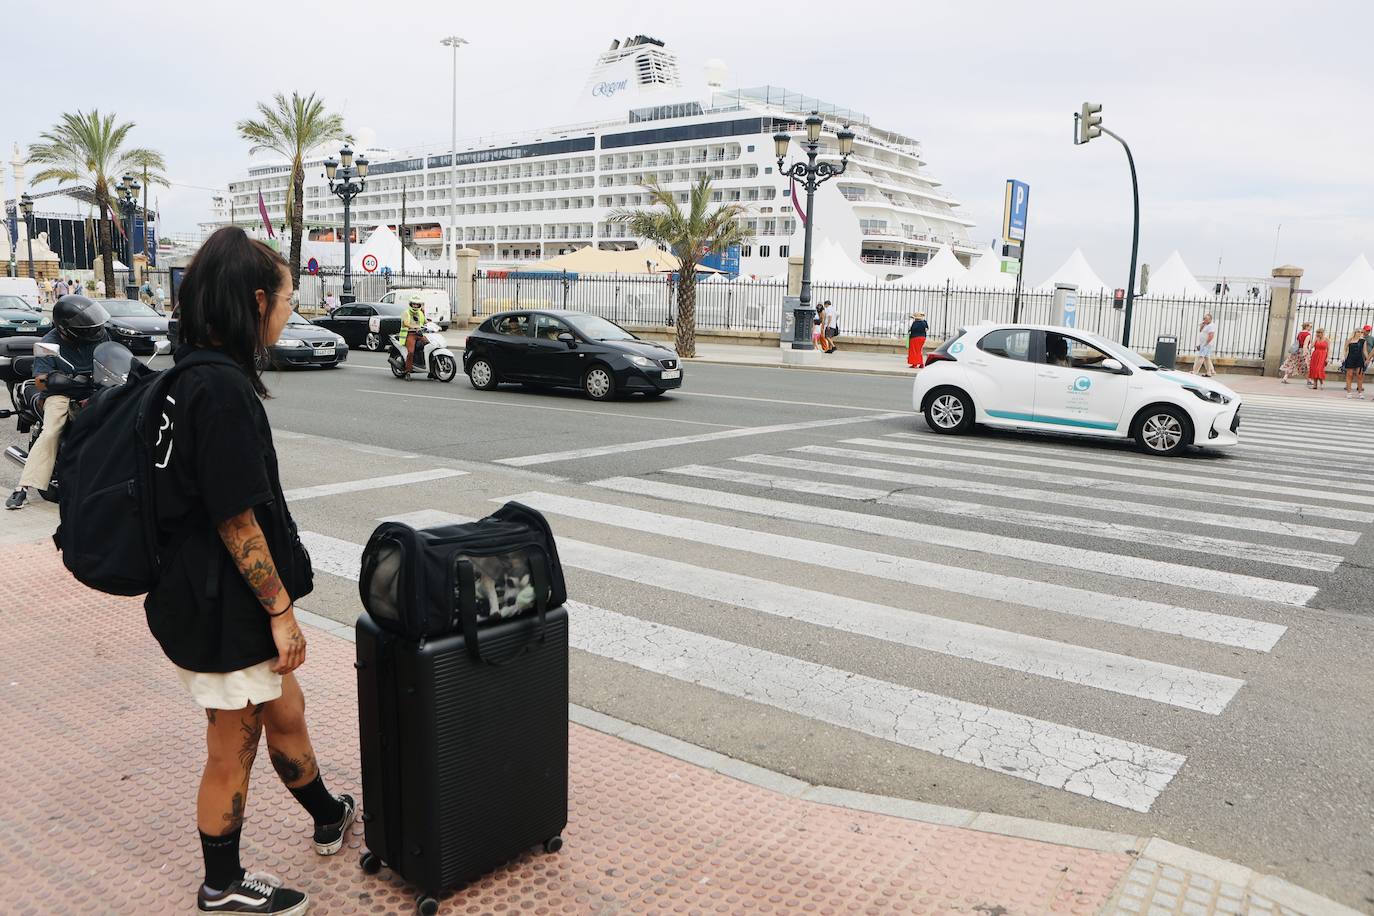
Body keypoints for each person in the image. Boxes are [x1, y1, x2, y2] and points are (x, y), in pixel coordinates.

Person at [146, 226, 353, 914]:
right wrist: (282, 611)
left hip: (200, 591)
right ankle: (222, 885)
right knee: (230, 746)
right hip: (222, 604)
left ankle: (328, 814)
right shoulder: (223, 393)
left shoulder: (187, 374)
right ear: (258, 299)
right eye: (289, 298)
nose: (292, 311)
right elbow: (238, 521)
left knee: (284, 708)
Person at [4, 295, 111, 510]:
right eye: (85, 327)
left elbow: (112, 358)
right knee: (52, 430)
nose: (92, 330)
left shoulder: (100, 335)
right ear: (66, 328)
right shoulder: (48, 344)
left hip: (96, 389)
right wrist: (62, 380)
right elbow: (40, 382)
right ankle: (23, 488)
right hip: (61, 394)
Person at [400, 294, 428, 378]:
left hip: (419, 334)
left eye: (417, 304)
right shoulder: (406, 312)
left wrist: (432, 324)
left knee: (429, 345)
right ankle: (408, 371)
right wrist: (413, 327)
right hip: (410, 334)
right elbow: (405, 323)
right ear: (411, 304)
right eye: (414, 304)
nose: (415, 306)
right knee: (411, 352)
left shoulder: (420, 313)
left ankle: (431, 370)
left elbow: (425, 322)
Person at [1341, 329, 1365, 399]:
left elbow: (1364, 351)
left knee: (1359, 376)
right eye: (1358, 332)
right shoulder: (1349, 340)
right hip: (1350, 359)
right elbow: (1345, 350)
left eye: (1361, 332)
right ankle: (1349, 392)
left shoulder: (1363, 341)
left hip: (1359, 359)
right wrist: (1343, 357)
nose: (1360, 333)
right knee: (1349, 375)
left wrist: (1368, 359)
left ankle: (1360, 392)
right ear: (1355, 332)